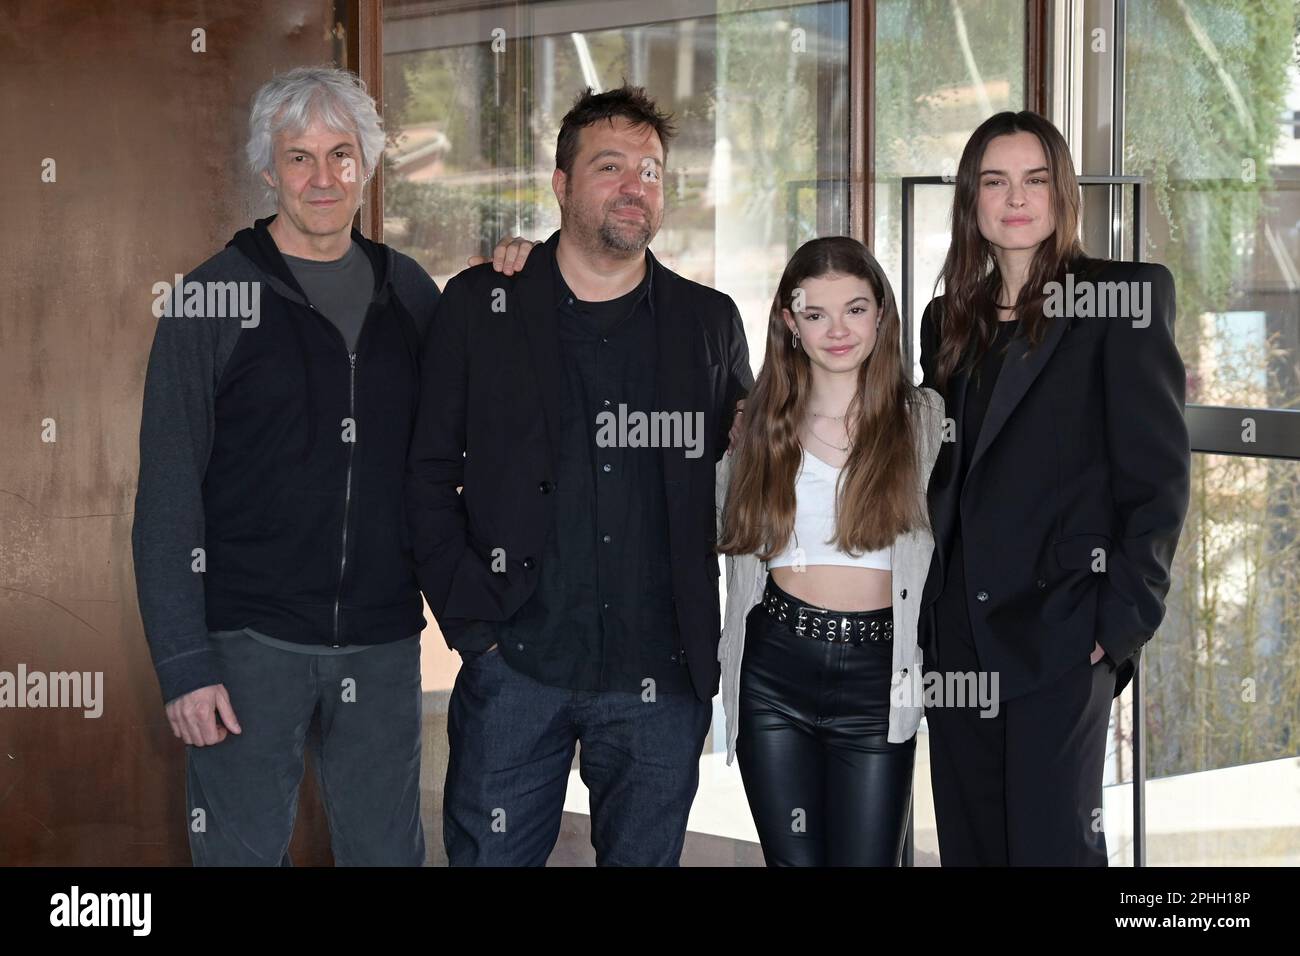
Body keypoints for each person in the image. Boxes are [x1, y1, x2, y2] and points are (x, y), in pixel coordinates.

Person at [406, 85, 753, 866]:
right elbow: (427, 474)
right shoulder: (480, 306)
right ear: (561, 185)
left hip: (660, 682)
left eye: (652, 170)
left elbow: (750, 474)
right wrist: (472, 629)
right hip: (514, 668)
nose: (636, 185)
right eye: (610, 166)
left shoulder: (710, 322)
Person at [132, 66, 439, 866]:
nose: (323, 177)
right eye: (299, 157)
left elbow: (468, 431)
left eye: (342, 154)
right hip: (246, 645)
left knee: (387, 856)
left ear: (368, 165)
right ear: (267, 168)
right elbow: (167, 496)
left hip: (379, 644)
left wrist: (524, 268)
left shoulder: (409, 291)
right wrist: (183, 665)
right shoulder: (209, 299)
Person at [917, 110, 1191, 865]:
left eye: (1036, 179)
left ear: (1062, 194)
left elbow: (1158, 479)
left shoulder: (1121, 300)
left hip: (1062, 631)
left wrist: (1117, 624)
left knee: (1052, 848)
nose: (1016, 198)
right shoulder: (947, 321)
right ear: (972, 198)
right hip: (956, 638)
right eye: (996, 181)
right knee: (972, 849)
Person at [715, 237, 944, 865]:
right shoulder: (755, 427)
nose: (837, 330)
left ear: (881, 316)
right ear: (790, 324)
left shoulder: (925, 422)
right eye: (815, 314)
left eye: (855, 309)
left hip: (880, 675)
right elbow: (713, 527)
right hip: (774, 673)